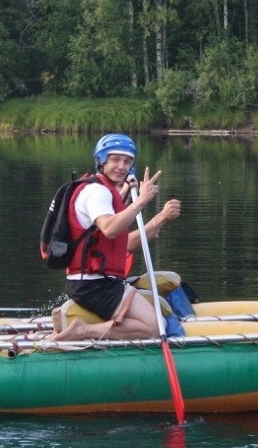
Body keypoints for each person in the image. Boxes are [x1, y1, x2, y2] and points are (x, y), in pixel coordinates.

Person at [50, 133, 181, 341]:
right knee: (156, 326)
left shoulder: (103, 191)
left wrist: (136, 200)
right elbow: (109, 229)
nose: (121, 166)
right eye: (115, 160)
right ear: (101, 161)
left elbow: (118, 236)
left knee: (156, 316)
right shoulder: (96, 192)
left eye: (127, 161)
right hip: (94, 285)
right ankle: (83, 331)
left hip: (99, 283)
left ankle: (86, 329)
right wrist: (141, 201)